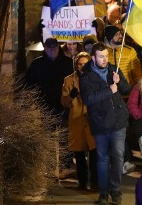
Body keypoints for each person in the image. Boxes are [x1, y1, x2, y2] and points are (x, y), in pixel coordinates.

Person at [80, 42, 132, 205]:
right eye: (101, 56)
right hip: (100, 123)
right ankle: (103, 192)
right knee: (102, 159)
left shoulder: (113, 70)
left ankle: (115, 190)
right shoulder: (86, 76)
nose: (104, 59)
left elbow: (127, 89)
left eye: (106, 56)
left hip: (118, 122)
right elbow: (88, 98)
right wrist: (109, 90)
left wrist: (120, 82)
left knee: (118, 157)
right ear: (93, 57)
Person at [61, 52, 97, 190]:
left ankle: (95, 182)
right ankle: (82, 182)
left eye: (85, 64)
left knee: (94, 155)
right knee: (80, 157)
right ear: (76, 65)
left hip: (92, 121)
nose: (82, 66)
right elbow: (64, 102)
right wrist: (71, 96)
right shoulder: (69, 80)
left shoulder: (95, 78)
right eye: (80, 64)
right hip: (77, 122)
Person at [25, 37, 74, 125]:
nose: (52, 49)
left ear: (58, 47)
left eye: (54, 47)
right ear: (45, 48)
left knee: (65, 135)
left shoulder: (69, 63)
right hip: (45, 109)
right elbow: (28, 84)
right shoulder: (37, 64)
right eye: (49, 47)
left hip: (65, 108)